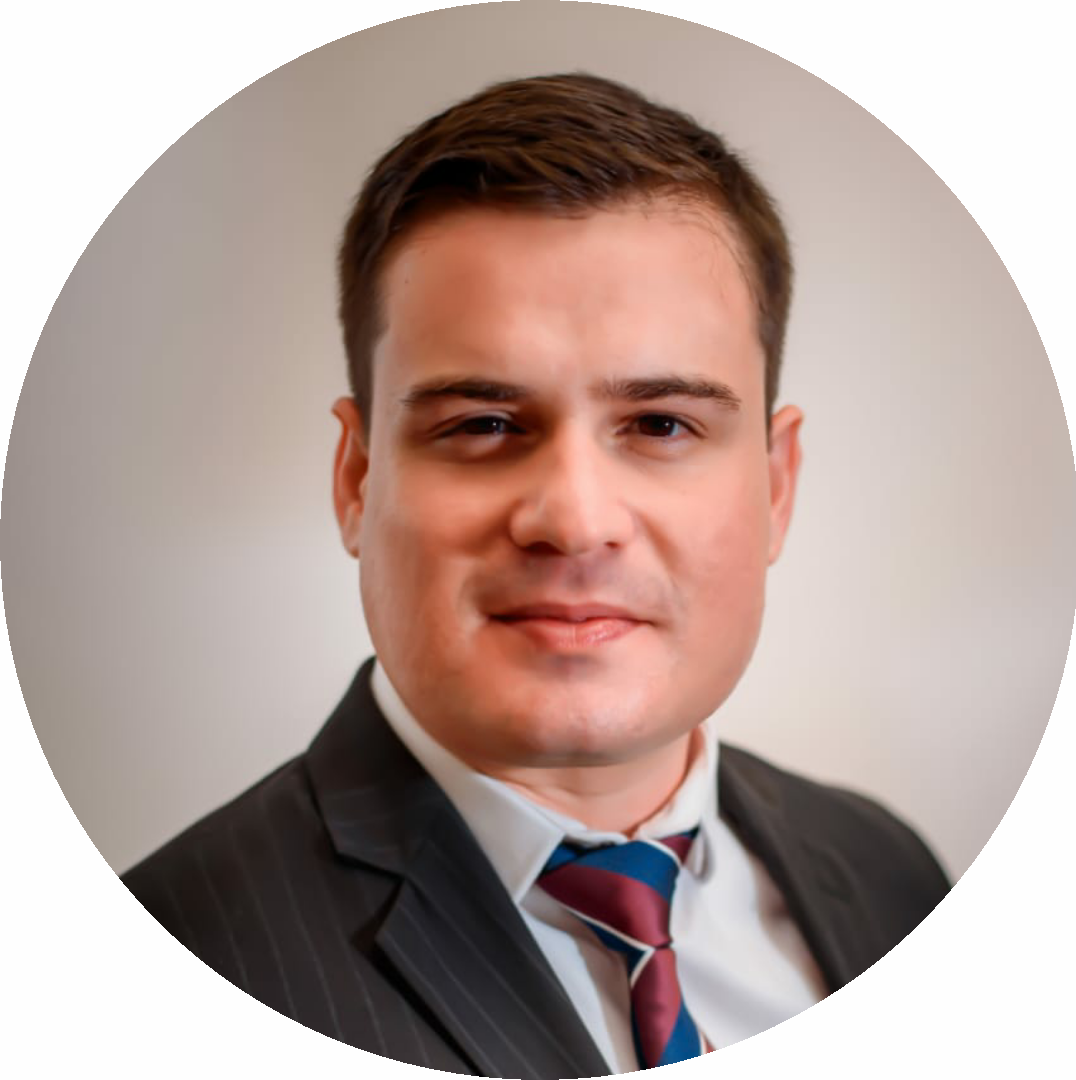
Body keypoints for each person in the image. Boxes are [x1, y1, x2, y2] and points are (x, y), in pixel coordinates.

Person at [122, 73, 949, 1077]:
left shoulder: (894, 876)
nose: (575, 521)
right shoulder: (154, 974)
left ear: (776, 486)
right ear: (356, 478)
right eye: (483, 423)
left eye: (661, 424)